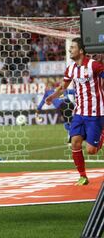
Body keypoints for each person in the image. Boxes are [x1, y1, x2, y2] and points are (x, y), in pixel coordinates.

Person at [45, 37, 104, 186]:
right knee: (75, 143)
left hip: (95, 113)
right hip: (79, 112)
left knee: (92, 151)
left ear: (81, 51)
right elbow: (63, 87)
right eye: (70, 47)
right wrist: (52, 96)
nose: (70, 50)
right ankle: (83, 176)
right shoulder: (70, 68)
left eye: (73, 47)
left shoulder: (94, 65)